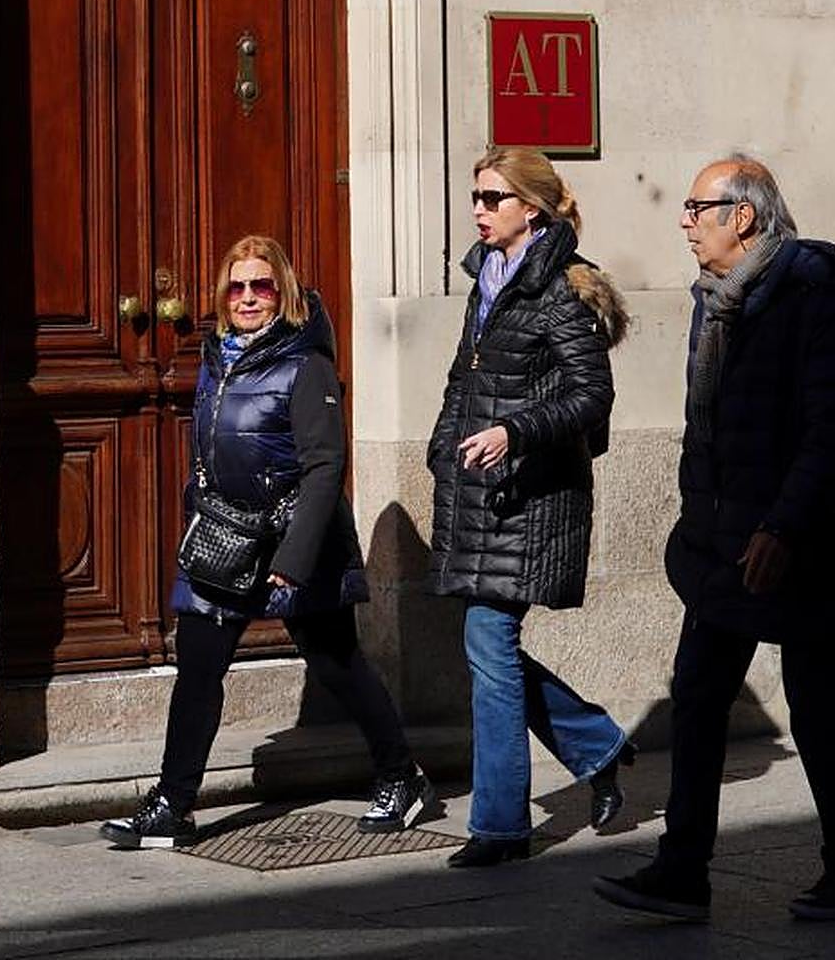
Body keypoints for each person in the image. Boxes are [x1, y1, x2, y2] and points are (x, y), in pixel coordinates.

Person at [595, 155, 835, 924]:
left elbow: (834, 430)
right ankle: (684, 869)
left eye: (698, 206)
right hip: (722, 542)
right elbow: (709, 432)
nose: (684, 220)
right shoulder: (717, 300)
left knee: (818, 700)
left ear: (743, 217)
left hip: (799, 542)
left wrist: (783, 524)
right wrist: (698, 526)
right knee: (697, 695)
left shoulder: (814, 298)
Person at [102, 234, 436, 849]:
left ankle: (403, 777)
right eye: (237, 286)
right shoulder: (216, 359)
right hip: (226, 540)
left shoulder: (305, 364)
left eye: (262, 285)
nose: (249, 297)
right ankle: (171, 806)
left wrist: (295, 557)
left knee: (337, 666)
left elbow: (325, 466)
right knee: (198, 671)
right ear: (222, 297)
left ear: (282, 293)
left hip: (293, 542)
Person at [427, 145, 632, 868]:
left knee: (488, 644)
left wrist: (514, 430)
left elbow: (591, 396)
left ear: (532, 208)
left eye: (492, 197)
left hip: (531, 495)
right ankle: (597, 745)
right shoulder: (488, 276)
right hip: (481, 488)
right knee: (494, 650)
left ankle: (501, 826)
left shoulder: (559, 289)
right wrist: (442, 445)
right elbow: (465, 377)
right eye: (476, 197)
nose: (478, 210)